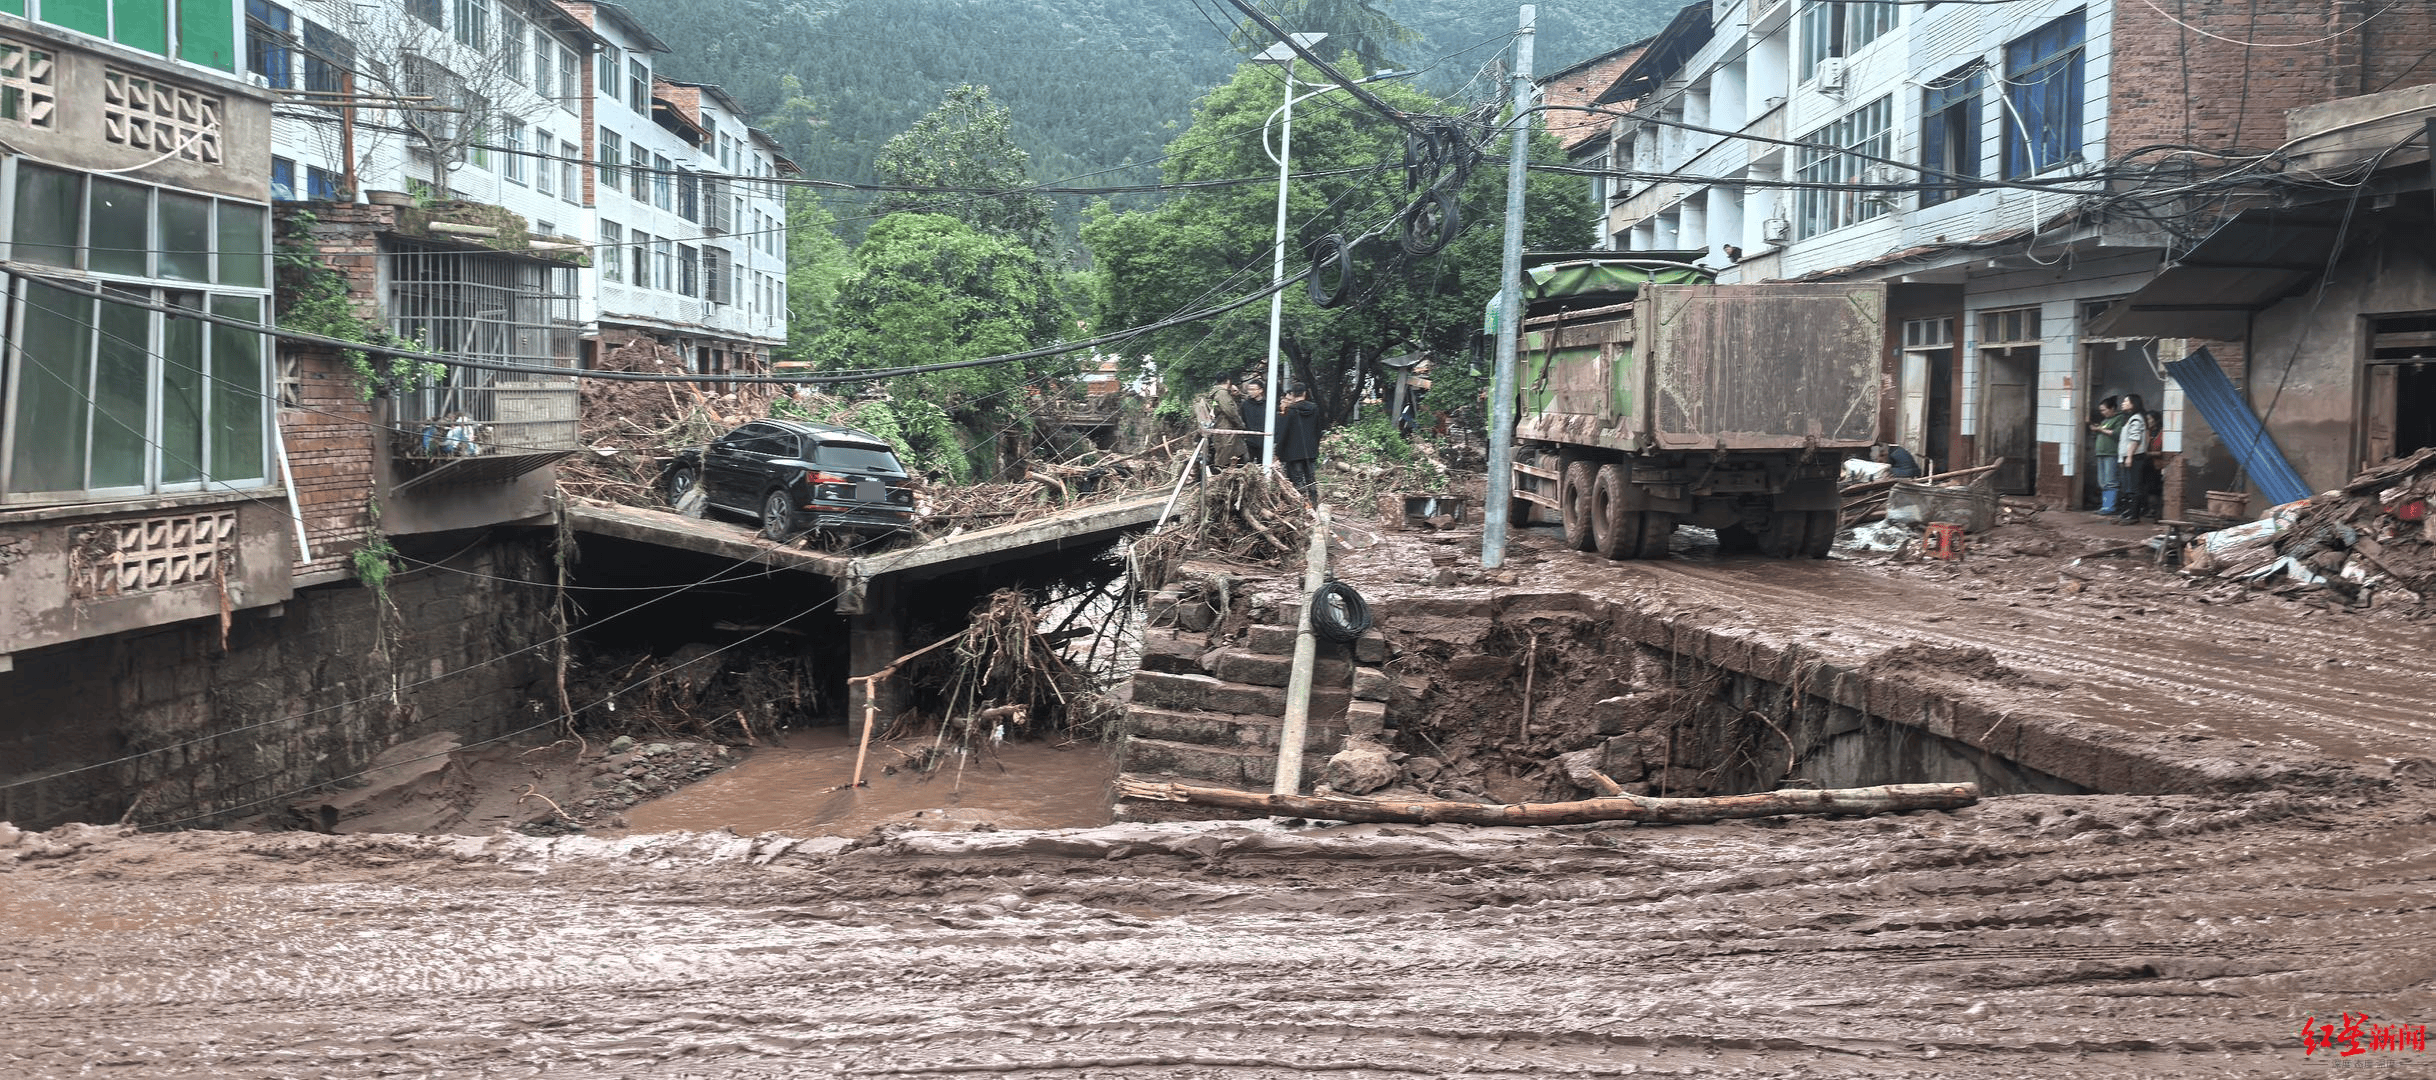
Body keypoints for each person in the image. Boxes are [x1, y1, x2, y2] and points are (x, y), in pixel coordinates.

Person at [1277, 382, 1322, 505]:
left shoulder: (1289, 410)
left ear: (1292, 394)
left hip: (1293, 452)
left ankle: (1301, 507)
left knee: (1298, 481)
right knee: (1311, 479)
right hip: (1310, 450)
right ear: (1305, 393)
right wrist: (1315, 446)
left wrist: (1278, 452)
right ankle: (1314, 505)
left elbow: (1283, 432)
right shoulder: (1315, 408)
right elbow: (1318, 430)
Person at [1193, 374, 1244, 469]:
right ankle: (1219, 477)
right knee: (1224, 459)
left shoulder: (1218, 393)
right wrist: (1241, 424)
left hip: (1224, 429)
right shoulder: (1222, 394)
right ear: (1228, 381)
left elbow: (1219, 408)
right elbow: (1230, 411)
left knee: (1231, 456)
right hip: (1226, 429)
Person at [2114, 394, 2151, 523]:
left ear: (2133, 404)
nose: (2123, 403)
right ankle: (2128, 512)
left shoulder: (2136, 419)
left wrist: (2129, 457)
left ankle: (2133, 515)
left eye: (2126, 401)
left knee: (2134, 487)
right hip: (2130, 456)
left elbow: (2135, 439)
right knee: (2129, 486)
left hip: (2134, 457)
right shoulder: (2132, 418)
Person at [2089, 396, 2125, 515]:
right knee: (2102, 481)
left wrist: (2099, 429)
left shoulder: (2119, 419)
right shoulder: (2105, 421)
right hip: (2102, 454)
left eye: (2104, 410)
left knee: (2111, 481)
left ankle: (2110, 507)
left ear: (2112, 408)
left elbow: (2116, 434)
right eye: (2101, 410)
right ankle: (2105, 505)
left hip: (2112, 453)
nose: (2102, 413)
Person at [1237, 376, 1267, 463]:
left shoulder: (1268, 404)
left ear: (1261, 390)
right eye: (1249, 389)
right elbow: (1244, 419)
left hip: (1264, 440)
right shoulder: (1245, 404)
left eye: (1253, 389)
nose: (1251, 392)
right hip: (1250, 439)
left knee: (1263, 464)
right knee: (1247, 464)